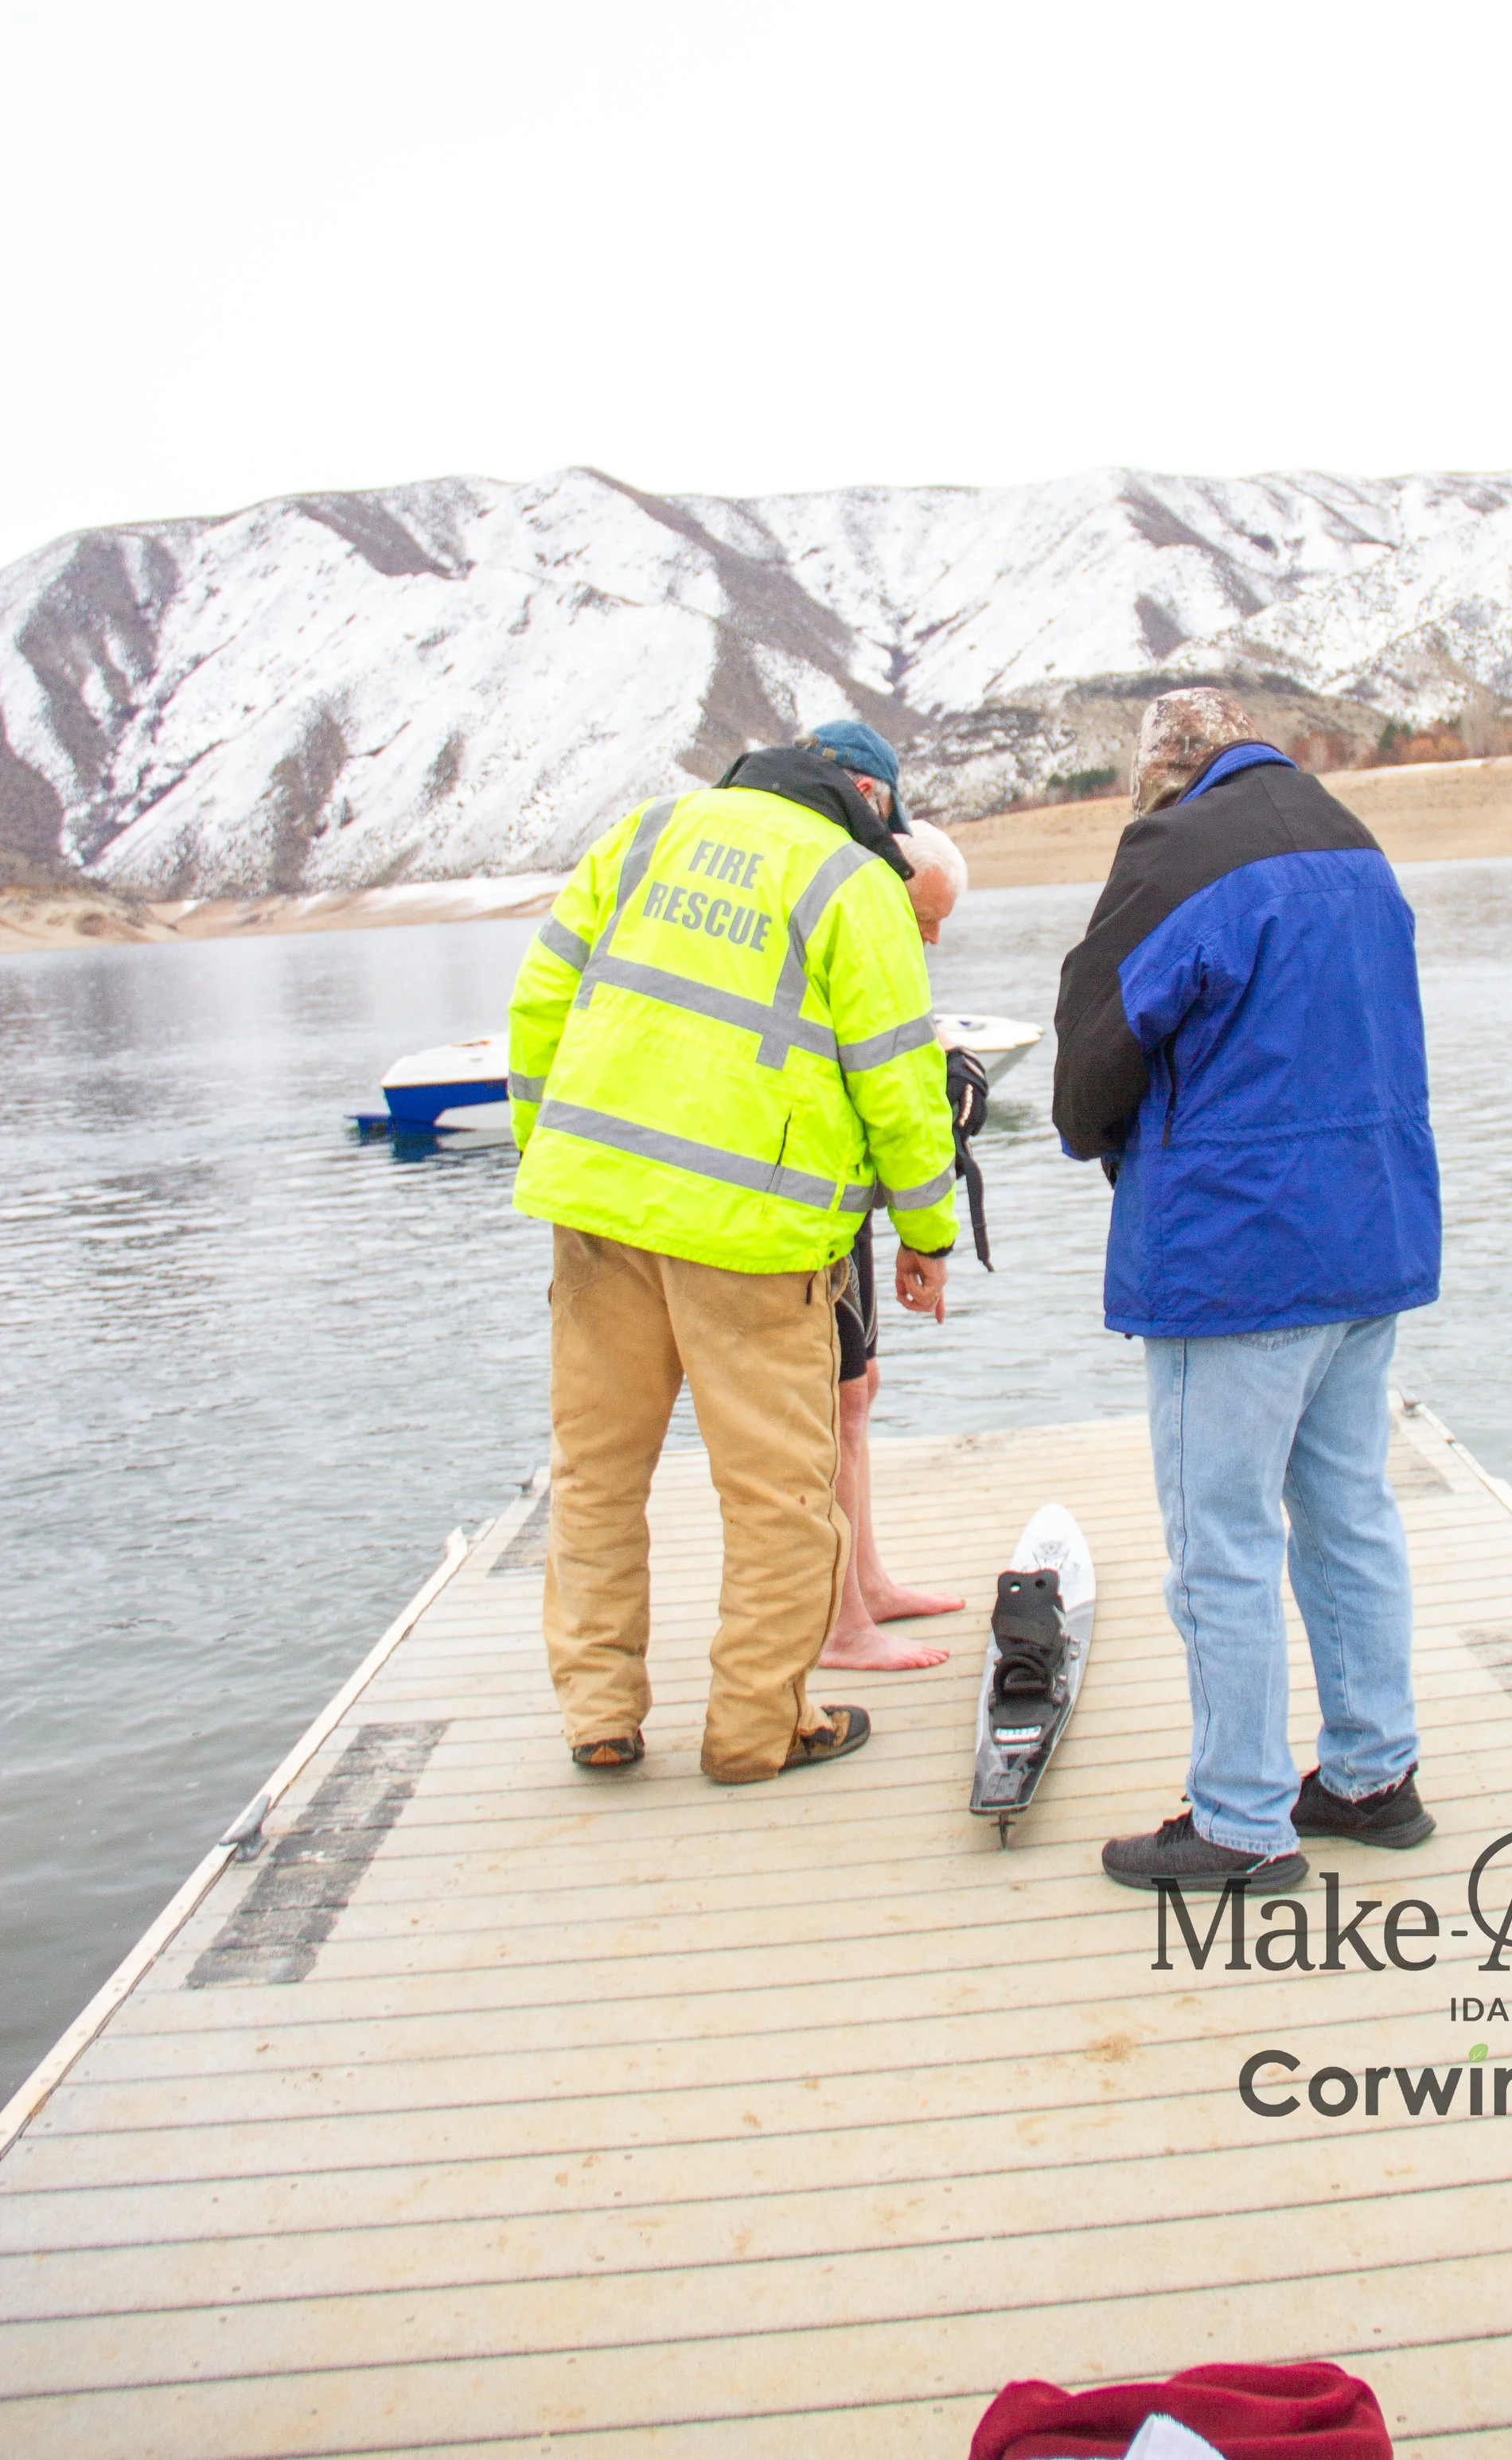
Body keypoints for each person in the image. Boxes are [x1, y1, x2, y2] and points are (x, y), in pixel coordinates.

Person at [1052, 686, 1442, 1893]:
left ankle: (1239, 1819)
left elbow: (1094, 1055)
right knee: (1349, 1515)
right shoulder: (1350, 837)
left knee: (1220, 1543)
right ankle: (1374, 1775)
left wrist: (1103, 1137)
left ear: (1165, 769)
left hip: (1237, 1257)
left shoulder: (1176, 850)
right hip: (1368, 1235)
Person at [507, 735, 956, 1780]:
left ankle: (600, 1713)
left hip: (597, 1211)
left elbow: (539, 1004)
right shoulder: (855, 879)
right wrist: (928, 1229)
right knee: (777, 1493)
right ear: (871, 799)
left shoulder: (642, 834)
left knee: (596, 1476)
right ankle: (758, 1726)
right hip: (754, 1234)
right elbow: (899, 1075)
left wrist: (554, 1146)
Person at [820, 817, 972, 1673]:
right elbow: (882, 1083)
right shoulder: (855, 918)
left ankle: (867, 1582)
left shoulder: (879, 935)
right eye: (926, 917)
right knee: (832, 1400)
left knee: (860, 1386)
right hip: (810, 1208)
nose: (934, 937)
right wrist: (928, 1235)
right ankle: (841, 1622)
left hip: (848, 1204)